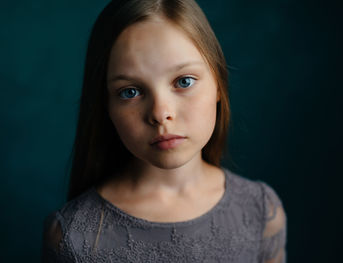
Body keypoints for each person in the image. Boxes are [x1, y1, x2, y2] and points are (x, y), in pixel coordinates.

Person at [42, 0, 287, 262]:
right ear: (106, 106)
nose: (160, 113)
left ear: (218, 83)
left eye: (184, 81)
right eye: (130, 92)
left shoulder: (260, 211)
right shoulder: (71, 237)